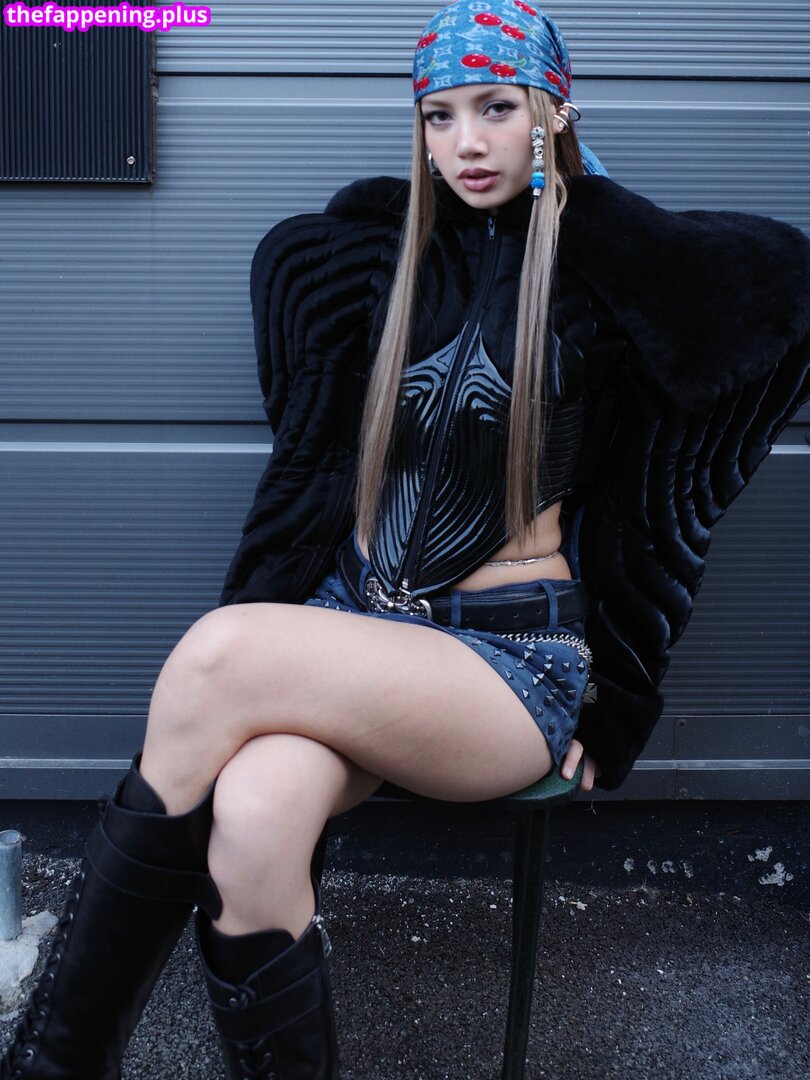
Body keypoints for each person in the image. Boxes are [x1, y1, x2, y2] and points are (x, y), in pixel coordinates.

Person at [3, 2, 809, 1078]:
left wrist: (582, 196)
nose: (467, 142)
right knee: (255, 811)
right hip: (360, 619)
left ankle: (53, 1063)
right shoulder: (386, 259)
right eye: (440, 116)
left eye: (497, 108)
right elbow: (306, 420)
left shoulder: (604, 275)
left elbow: (771, 300)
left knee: (216, 654)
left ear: (552, 111)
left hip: (507, 661)